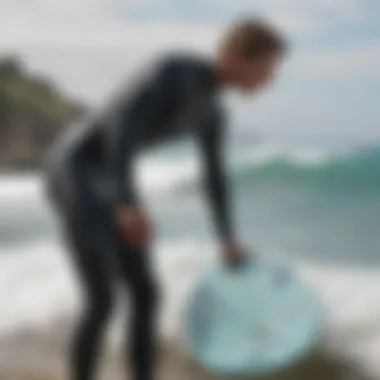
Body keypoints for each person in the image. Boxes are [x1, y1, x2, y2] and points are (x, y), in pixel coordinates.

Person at [44, 18, 286, 380]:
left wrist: (226, 239)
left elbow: (215, 177)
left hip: (110, 178)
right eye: (265, 69)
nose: (268, 81)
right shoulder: (174, 70)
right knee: (103, 300)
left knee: (146, 293)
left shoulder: (213, 114)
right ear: (237, 55)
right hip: (77, 167)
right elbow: (120, 126)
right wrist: (126, 203)